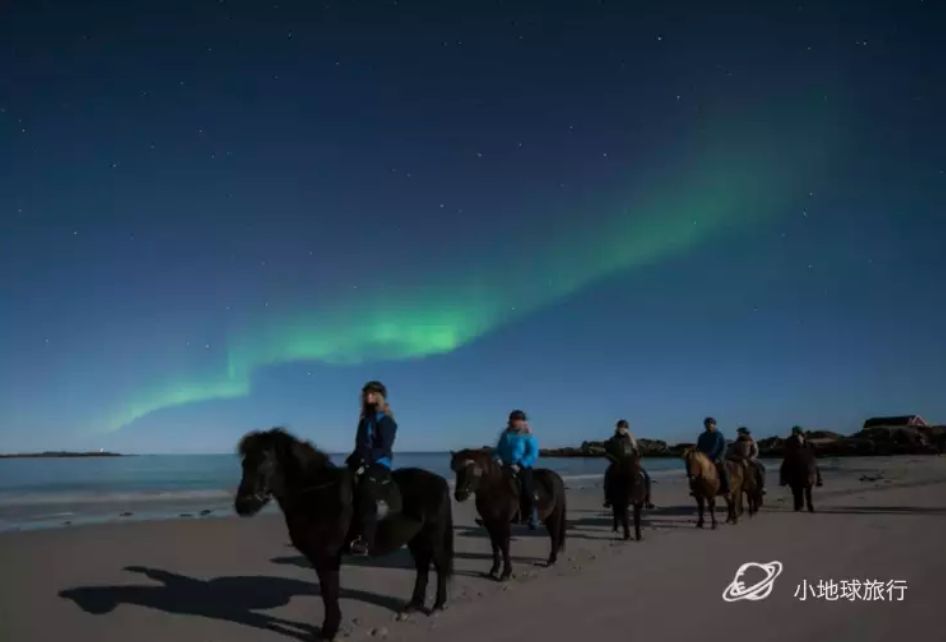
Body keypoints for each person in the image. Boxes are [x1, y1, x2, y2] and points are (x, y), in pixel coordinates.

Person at [346, 380, 399, 556]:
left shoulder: (386, 420)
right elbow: (358, 447)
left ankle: (366, 540)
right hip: (362, 461)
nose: (369, 396)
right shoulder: (364, 421)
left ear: (380, 396)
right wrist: (351, 462)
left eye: (373, 393)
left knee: (366, 488)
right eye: (366, 394)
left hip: (379, 463)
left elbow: (384, 447)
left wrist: (366, 462)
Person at [494, 409, 540, 529]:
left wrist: (520, 465)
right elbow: (497, 450)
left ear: (523, 422)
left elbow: (533, 453)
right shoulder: (505, 435)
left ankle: (533, 516)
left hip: (522, 467)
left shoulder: (528, 436)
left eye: (517, 420)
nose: (514, 422)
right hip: (504, 465)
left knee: (526, 489)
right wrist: (497, 458)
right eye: (512, 420)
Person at [603, 419, 654, 509]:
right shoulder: (613, 439)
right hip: (617, 463)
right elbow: (607, 453)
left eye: (624, 427)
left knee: (645, 475)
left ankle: (647, 500)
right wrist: (614, 460)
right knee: (608, 475)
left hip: (631, 463)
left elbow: (638, 451)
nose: (622, 429)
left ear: (627, 429)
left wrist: (636, 459)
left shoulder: (632, 440)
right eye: (620, 427)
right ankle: (608, 499)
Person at [696, 417, 729, 494]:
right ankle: (696, 488)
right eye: (706, 424)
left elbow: (724, 447)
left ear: (714, 425)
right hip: (704, 459)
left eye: (710, 424)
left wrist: (719, 457)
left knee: (723, 468)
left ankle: (726, 487)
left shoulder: (719, 435)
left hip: (716, 458)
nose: (708, 425)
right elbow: (698, 447)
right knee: (694, 470)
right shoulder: (702, 436)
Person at [728, 426, 766, 494]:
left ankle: (762, 486)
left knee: (761, 467)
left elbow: (755, 451)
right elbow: (731, 453)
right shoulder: (736, 443)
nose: (739, 434)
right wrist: (738, 458)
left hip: (750, 459)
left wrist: (751, 458)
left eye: (740, 433)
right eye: (739, 433)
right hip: (738, 460)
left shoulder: (752, 441)